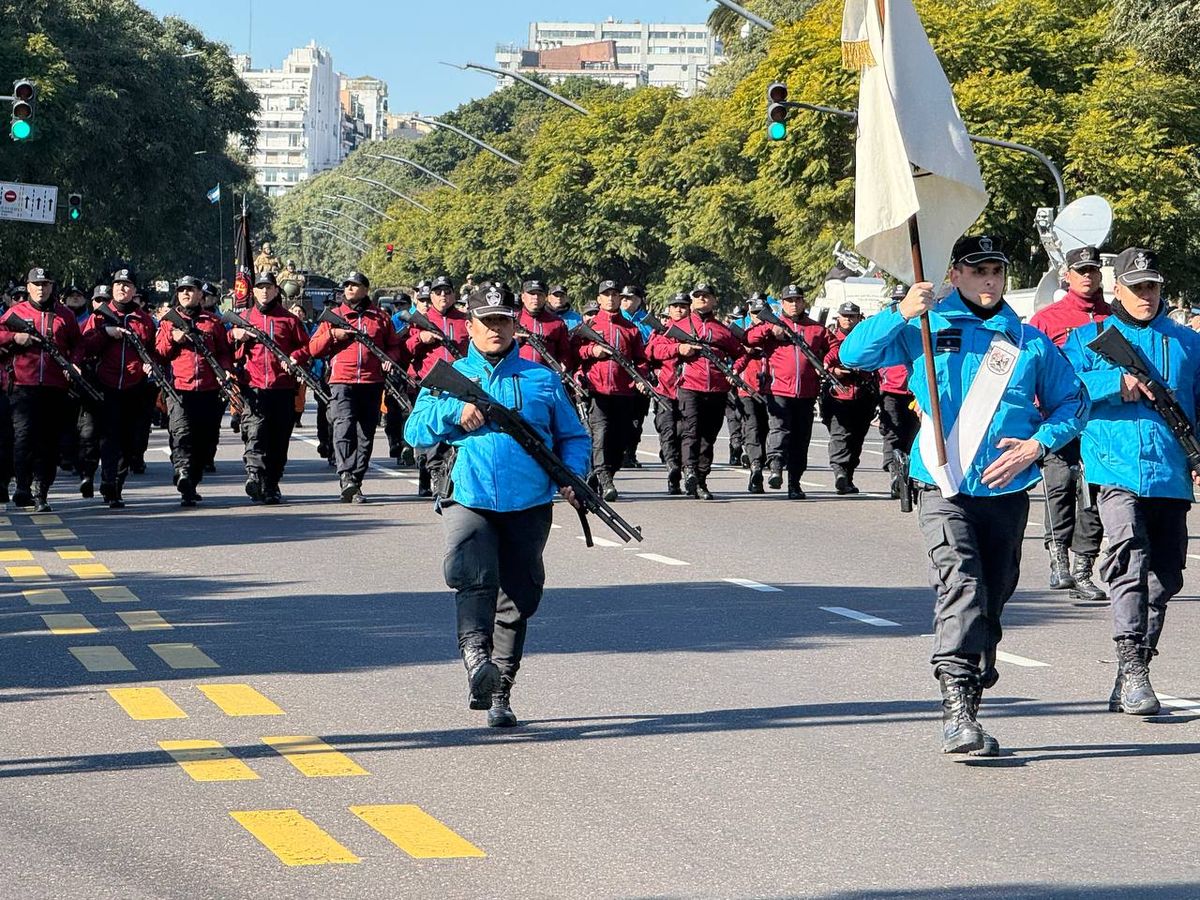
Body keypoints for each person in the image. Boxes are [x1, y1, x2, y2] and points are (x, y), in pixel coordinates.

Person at [840, 235, 1087, 756]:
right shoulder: (927, 324)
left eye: (996, 270)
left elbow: (1072, 402)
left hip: (1007, 487)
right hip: (943, 484)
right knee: (963, 586)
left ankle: (975, 666)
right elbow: (853, 354)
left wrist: (1037, 445)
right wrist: (899, 311)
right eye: (978, 271)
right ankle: (957, 706)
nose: (990, 279)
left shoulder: (1027, 340)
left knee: (993, 597)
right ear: (955, 275)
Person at [404, 282, 591, 728]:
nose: (495, 329)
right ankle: (475, 661)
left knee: (519, 594)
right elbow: (415, 431)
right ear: (469, 325)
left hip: (528, 501)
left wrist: (572, 477)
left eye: (502, 321)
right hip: (467, 495)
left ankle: (500, 688)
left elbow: (573, 437)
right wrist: (453, 414)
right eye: (486, 321)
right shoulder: (449, 375)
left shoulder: (541, 379)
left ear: (515, 325)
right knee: (472, 577)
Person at [1063, 248, 1198, 716]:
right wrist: (1110, 387)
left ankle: (1132, 669)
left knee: (1166, 576)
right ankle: (1135, 669)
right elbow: (1062, 392)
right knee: (1128, 560)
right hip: (1113, 467)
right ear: (1114, 286)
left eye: (1152, 286)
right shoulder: (1086, 340)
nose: (1145, 294)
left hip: (1171, 470)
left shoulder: (1187, 342)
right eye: (1136, 285)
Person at [1028, 246, 1110, 600]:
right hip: (1058, 418)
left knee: (1092, 496)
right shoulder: (1047, 318)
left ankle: (1083, 568)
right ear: (1067, 275)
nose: (1087, 276)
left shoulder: (1114, 316)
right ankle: (1058, 557)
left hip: (1102, 421)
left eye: (1092, 270)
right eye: (1081, 271)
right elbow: (1030, 366)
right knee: (1059, 486)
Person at [308, 272, 406, 503]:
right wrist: (334, 334)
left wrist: (388, 359)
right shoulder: (334, 317)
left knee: (366, 433)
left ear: (365, 289)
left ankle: (356, 480)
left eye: (355, 285)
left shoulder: (380, 317)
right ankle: (345, 475)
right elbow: (314, 349)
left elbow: (394, 348)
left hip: (372, 382)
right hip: (342, 380)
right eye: (348, 285)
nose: (350, 289)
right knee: (343, 426)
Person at [0, 268, 84, 511]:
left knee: (48, 442)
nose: (41, 288)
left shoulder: (65, 314)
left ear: (51, 286)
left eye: (45, 284)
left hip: (54, 387)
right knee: (23, 439)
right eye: (36, 284)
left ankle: (41, 492)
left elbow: (78, 344)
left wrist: (75, 364)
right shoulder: (15, 312)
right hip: (23, 387)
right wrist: (15, 338)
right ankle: (23, 487)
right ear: (28, 287)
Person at [230, 272, 314, 504]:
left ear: (277, 290)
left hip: (282, 388)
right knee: (255, 433)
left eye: (269, 287)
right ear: (253, 291)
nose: (264, 291)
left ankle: (271, 484)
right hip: (253, 387)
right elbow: (225, 348)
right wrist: (235, 336)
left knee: (278, 440)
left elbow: (307, 347)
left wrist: (295, 358)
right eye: (260, 287)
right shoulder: (244, 317)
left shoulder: (289, 320)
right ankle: (254, 476)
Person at [79, 268, 158, 508]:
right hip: (106, 385)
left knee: (129, 440)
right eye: (118, 285)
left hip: (134, 386)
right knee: (108, 438)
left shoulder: (143, 319)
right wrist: (105, 333)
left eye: (127, 285)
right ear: (112, 288)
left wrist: (150, 365)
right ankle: (108, 482)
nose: (122, 289)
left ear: (134, 290)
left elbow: (154, 351)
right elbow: (85, 346)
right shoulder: (100, 316)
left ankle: (117, 484)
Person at [155, 276, 235, 507]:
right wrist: (173, 339)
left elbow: (223, 352)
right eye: (182, 291)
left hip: (208, 390)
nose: (186, 294)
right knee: (181, 434)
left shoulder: (212, 322)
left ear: (201, 294)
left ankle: (192, 481)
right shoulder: (169, 321)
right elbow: (159, 352)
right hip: (179, 388)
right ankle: (182, 473)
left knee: (205, 440)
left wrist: (227, 370)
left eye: (191, 290)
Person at [747, 284, 829, 499]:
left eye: (798, 300)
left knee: (801, 439)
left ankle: (795, 482)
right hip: (778, 389)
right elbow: (749, 339)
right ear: (781, 303)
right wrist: (770, 329)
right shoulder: (772, 324)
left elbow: (834, 347)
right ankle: (775, 468)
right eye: (789, 301)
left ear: (803, 302)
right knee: (779, 430)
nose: (794, 304)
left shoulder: (816, 328)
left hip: (807, 392)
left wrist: (828, 363)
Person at [574, 279, 650, 501]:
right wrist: (592, 351)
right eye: (605, 295)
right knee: (601, 435)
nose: (610, 298)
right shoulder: (589, 326)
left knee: (620, 439)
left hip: (624, 392)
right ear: (599, 299)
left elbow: (641, 360)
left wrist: (641, 378)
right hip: (597, 391)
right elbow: (575, 352)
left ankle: (603, 475)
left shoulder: (631, 329)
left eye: (614, 294)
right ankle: (605, 478)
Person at [674, 283, 743, 499]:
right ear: (692, 300)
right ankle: (690, 472)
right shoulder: (681, 325)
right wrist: (679, 349)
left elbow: (740, 353)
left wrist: (734, 370)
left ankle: (701, 479)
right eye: (698, 296)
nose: (702, 299)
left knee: (708, 436)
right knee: (691, 431)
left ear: (714, 300)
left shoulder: (722, 329)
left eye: (707, 296)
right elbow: (656, 349)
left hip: (717, 389)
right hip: (690, 386)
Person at [406, 275, 469, 498]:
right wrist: (419, 338)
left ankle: (447, 476)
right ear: (430, 296)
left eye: (447, 291)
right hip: (431, 385)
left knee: (454, 432)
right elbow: (403, 349)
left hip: (459, 383)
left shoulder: (464, 320)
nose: (443, 296)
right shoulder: (419, 320)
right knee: (431, 432)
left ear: (454, 294)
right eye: (438, 292)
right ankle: (431, 476)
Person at [823, 301, 879, 495]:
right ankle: (839, 472)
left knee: (857, 438)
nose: (848, 319)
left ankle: (848, 475)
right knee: (840, 435)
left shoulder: (866, 338)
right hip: (838, 394)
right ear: (838, 318)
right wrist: (834, 370)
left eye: (852, 316)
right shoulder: (830, 338)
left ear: (859, 318)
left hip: (863, 394)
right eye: (845, 315)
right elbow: (821, 362)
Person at [645, 292, 691, 494]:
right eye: (675, 306)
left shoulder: (694, 330)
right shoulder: (662, 332)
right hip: (664, 389)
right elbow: (651, 352)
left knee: (685, 433)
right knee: (667, 430)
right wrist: (677, 348)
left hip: (688, 390)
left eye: (683, 306)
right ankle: (672, 468)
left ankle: (684, 469)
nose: (679, 309)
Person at [735, 297, 770, 493]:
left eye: (762, 313)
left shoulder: (774, 334)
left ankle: (763, 461)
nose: (759, 317)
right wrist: (734, 371)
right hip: (748, 389)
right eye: (755, 314)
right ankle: (755, 467)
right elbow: (739, 356)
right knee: (753, 428)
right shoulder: (746, 335)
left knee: (767, 429)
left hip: (772, 390)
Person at [516, 278, 573, 368]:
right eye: (531, 294)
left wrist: (564, 363)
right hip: (517, 375)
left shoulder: (557, 323)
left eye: (539, 294)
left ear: (545, 298)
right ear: (523, 297)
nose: (535, 297)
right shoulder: (511, 320)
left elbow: (565, 351)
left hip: (547, 376)